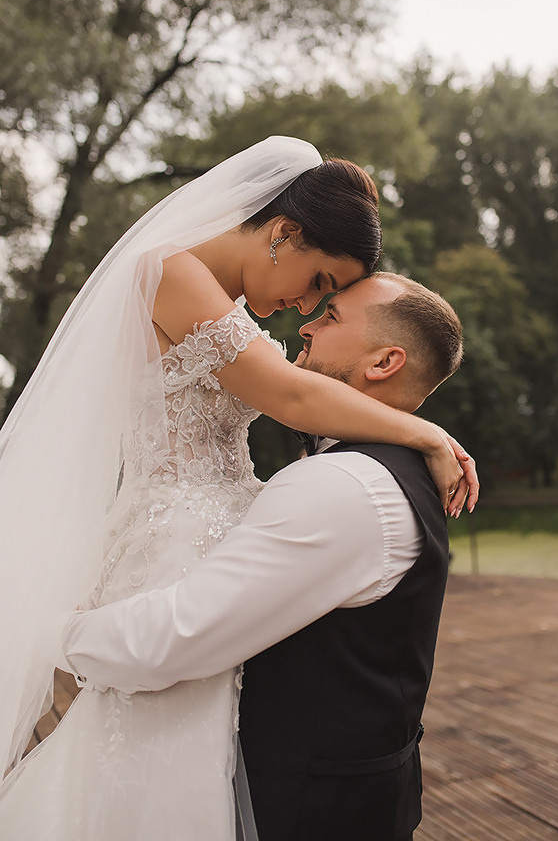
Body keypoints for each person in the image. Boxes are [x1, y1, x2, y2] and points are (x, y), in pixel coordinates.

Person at [0, 137, 476, 840]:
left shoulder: (228, 310)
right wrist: (427, 434)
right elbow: (292, 396)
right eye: (318, 281)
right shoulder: (166, 271)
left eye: (327, 300)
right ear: (283, 234)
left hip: (228, 530)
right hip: (171, 535)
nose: (306, 306)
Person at [54, 271, 466, 841]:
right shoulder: (388, 473)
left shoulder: (342, 487)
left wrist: (48, 638)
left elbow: (174, 636)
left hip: (307, 812)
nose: (307, 322)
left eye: (332, 316)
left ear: (383, 362)